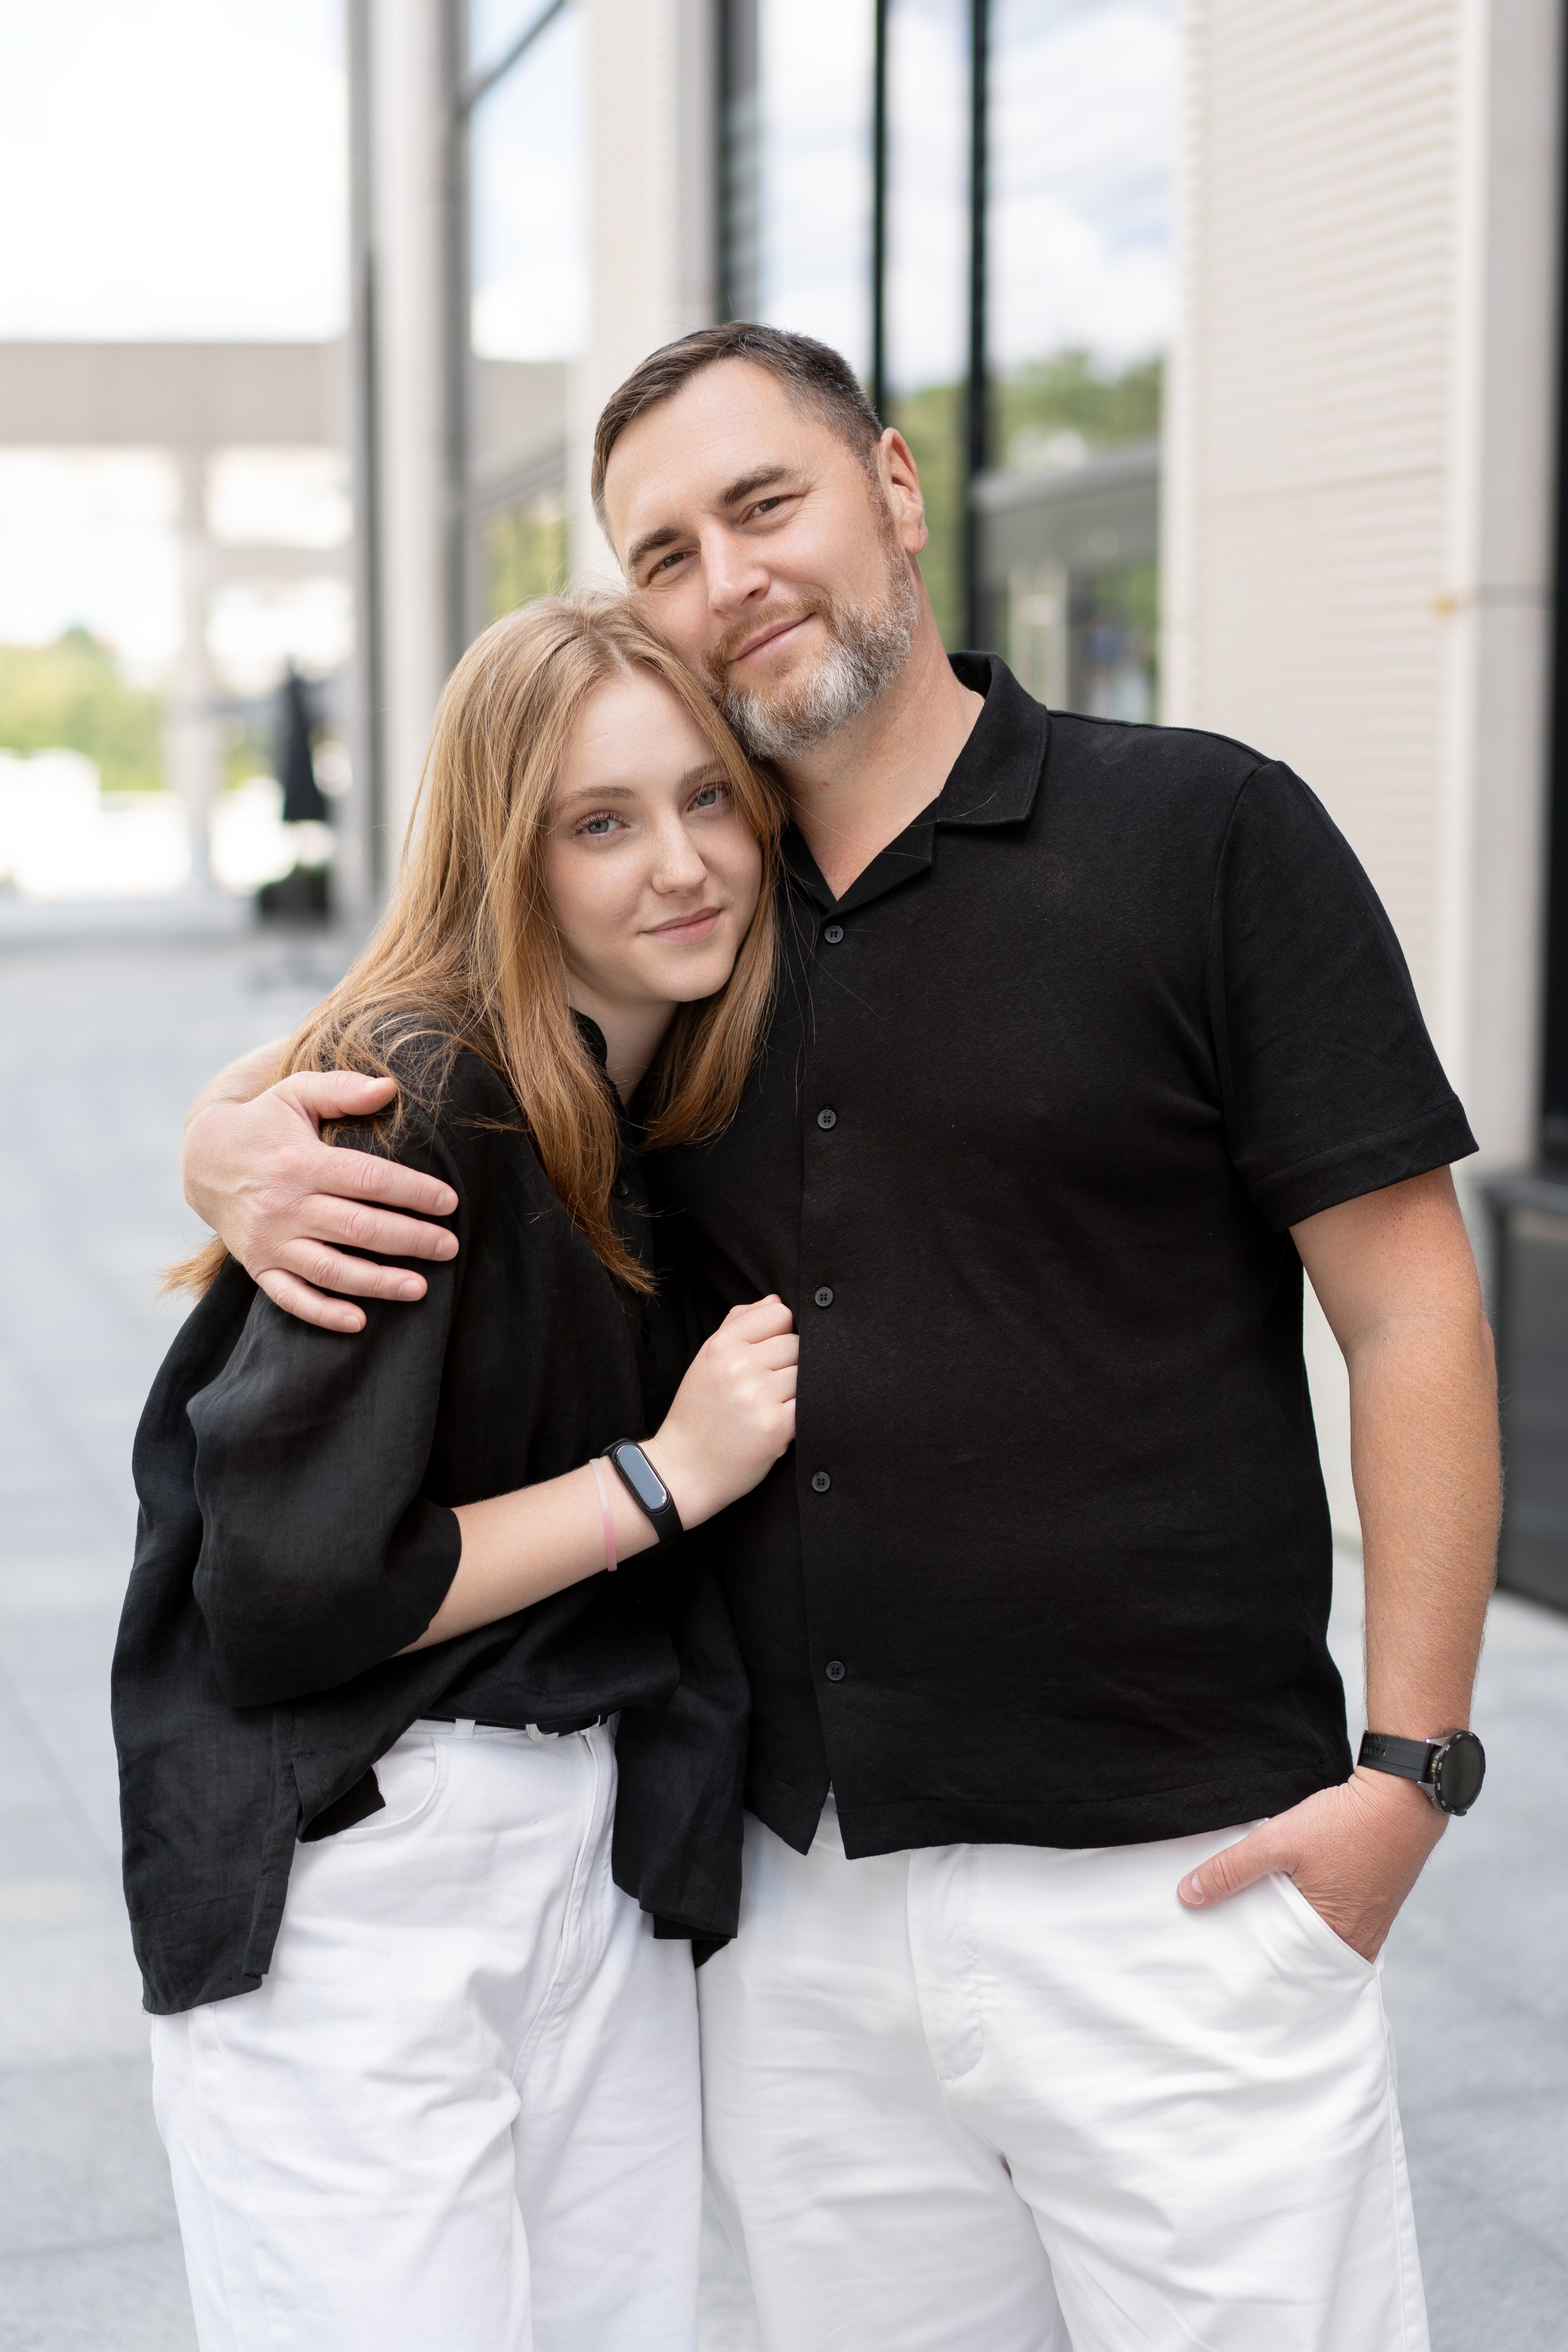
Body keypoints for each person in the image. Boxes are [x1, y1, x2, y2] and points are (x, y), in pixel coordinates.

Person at [181, 326, 1501, 2352]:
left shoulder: (1203, 832)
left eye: (763, 502)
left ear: (893, 485)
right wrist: (226, 1140)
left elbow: (1407, 1298)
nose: (731, 576)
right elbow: (435, 995)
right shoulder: (693, 922)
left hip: (1176, 1888)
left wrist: (1409, 1772)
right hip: (794, 1911)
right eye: (669, 551)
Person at [115, 594, 800, 2352]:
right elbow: (293, 1588)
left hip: (589, 1849)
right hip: (366, 1866)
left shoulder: (665, 1077)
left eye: (707, 798)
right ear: (512, 854)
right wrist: (664, 1477)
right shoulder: (431, 1101)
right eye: (601, 821)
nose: (681, 863)